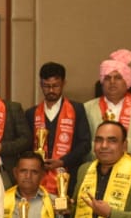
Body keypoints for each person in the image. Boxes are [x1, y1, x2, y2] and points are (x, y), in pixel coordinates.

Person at [27, 62, 90, 199]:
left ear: (63, 83)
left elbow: (85, 144)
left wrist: (62, 161)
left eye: (55, 86)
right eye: (46, 86)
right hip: (38, 177)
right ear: (40, 84)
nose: (51, 90)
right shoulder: (31, 113)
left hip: (69, 175)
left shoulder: (77, 109)